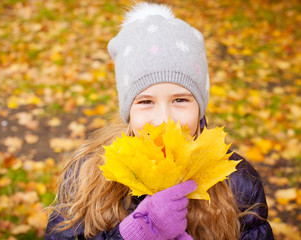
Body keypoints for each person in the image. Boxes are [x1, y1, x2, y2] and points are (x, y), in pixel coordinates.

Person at [45, 2, 274, 240]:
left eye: (180, 100)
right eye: (146, 102)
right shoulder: (89, 174)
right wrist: (135, 234)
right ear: (128, 110)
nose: (164, 120)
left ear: (200, 106)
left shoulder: (238, 182)